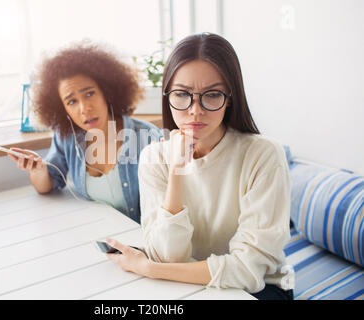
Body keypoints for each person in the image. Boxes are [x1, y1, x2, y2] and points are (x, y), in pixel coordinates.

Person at [106, 33, 295, 300]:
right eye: (182, 94)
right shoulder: (153, 158)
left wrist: (151, 269)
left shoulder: (263, 155)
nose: (195, 110)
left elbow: (248, 270)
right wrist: (176, 172)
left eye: (212, 94)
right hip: (187, 287)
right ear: (168, 95)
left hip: (259, 290)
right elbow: (167, 255)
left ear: (230, 98)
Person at [7, 41, 161, 223]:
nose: (84, 108)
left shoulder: (147, 137)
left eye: (89, 94)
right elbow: (47, 185)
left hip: (142, 241)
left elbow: (165, 206)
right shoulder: (67, 137)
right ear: (62, 108)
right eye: (72, 101)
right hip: (99, 237)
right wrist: (38, 169)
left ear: (107, 92)